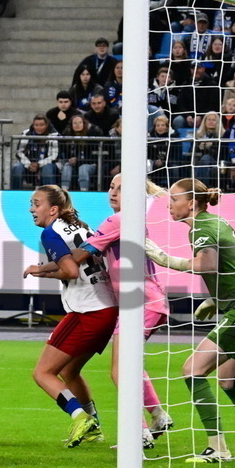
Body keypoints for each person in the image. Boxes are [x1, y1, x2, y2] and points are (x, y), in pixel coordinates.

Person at [145, 179, 235, 462]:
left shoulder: (203, 228)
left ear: (191, 203)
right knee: (229, 381)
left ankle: (218, 449)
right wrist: (217, 299)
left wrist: (163, 258)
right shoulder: (217, 222)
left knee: (193, 370)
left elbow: (207, 265)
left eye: (175, 199)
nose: (170, 204)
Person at [66, 175, 175, 449]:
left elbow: (81, 256)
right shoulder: (130, 219)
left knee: (121, 370)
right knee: (130, 365)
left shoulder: (119, 220)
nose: (112, 192)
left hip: (139, 302)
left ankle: (138, 433)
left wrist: (49, 266)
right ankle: (158, 416)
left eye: (121, 189)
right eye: (112, 187)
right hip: (147, 300)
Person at [22, 185, 117, 448]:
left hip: (87, 311)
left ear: (53, 209)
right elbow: (74, 260)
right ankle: (93, 427)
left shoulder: (51, 233)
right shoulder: (80, 226)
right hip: (108, 307)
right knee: (69, 370)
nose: (32, 209)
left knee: (43, 373)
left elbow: (71, 271)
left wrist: (44, 272)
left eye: (36, 203)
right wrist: (41, 268)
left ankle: (80, 417)